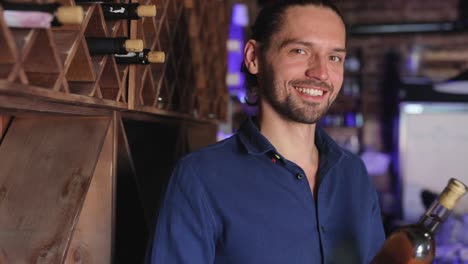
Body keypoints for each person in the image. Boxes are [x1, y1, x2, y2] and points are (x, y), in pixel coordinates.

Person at [148, 0, 385, 263]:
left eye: (334, 57)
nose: (320, 72)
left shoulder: (354, 174)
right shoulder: (201, 177)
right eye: (299, 51)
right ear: (253, 58)